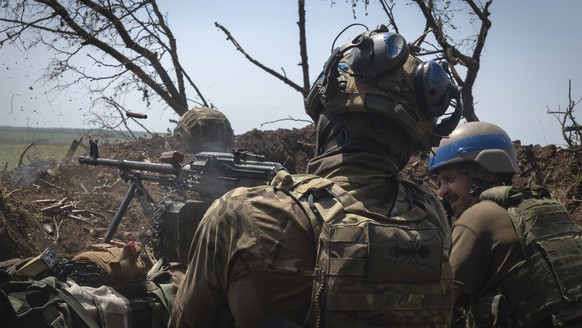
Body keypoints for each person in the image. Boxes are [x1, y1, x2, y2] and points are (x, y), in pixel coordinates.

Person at [172, 24, 463, 328]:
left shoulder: (240, 215)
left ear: (326, 120)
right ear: (408, 143)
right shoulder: (431, 214)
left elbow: (186, 320)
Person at [428, 121, 582, 327]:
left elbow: (437, 309)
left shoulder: (476, 218)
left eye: (449, 179)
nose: (442, 191)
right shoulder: (546, 206)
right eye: (440, 182)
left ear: (484, 172)